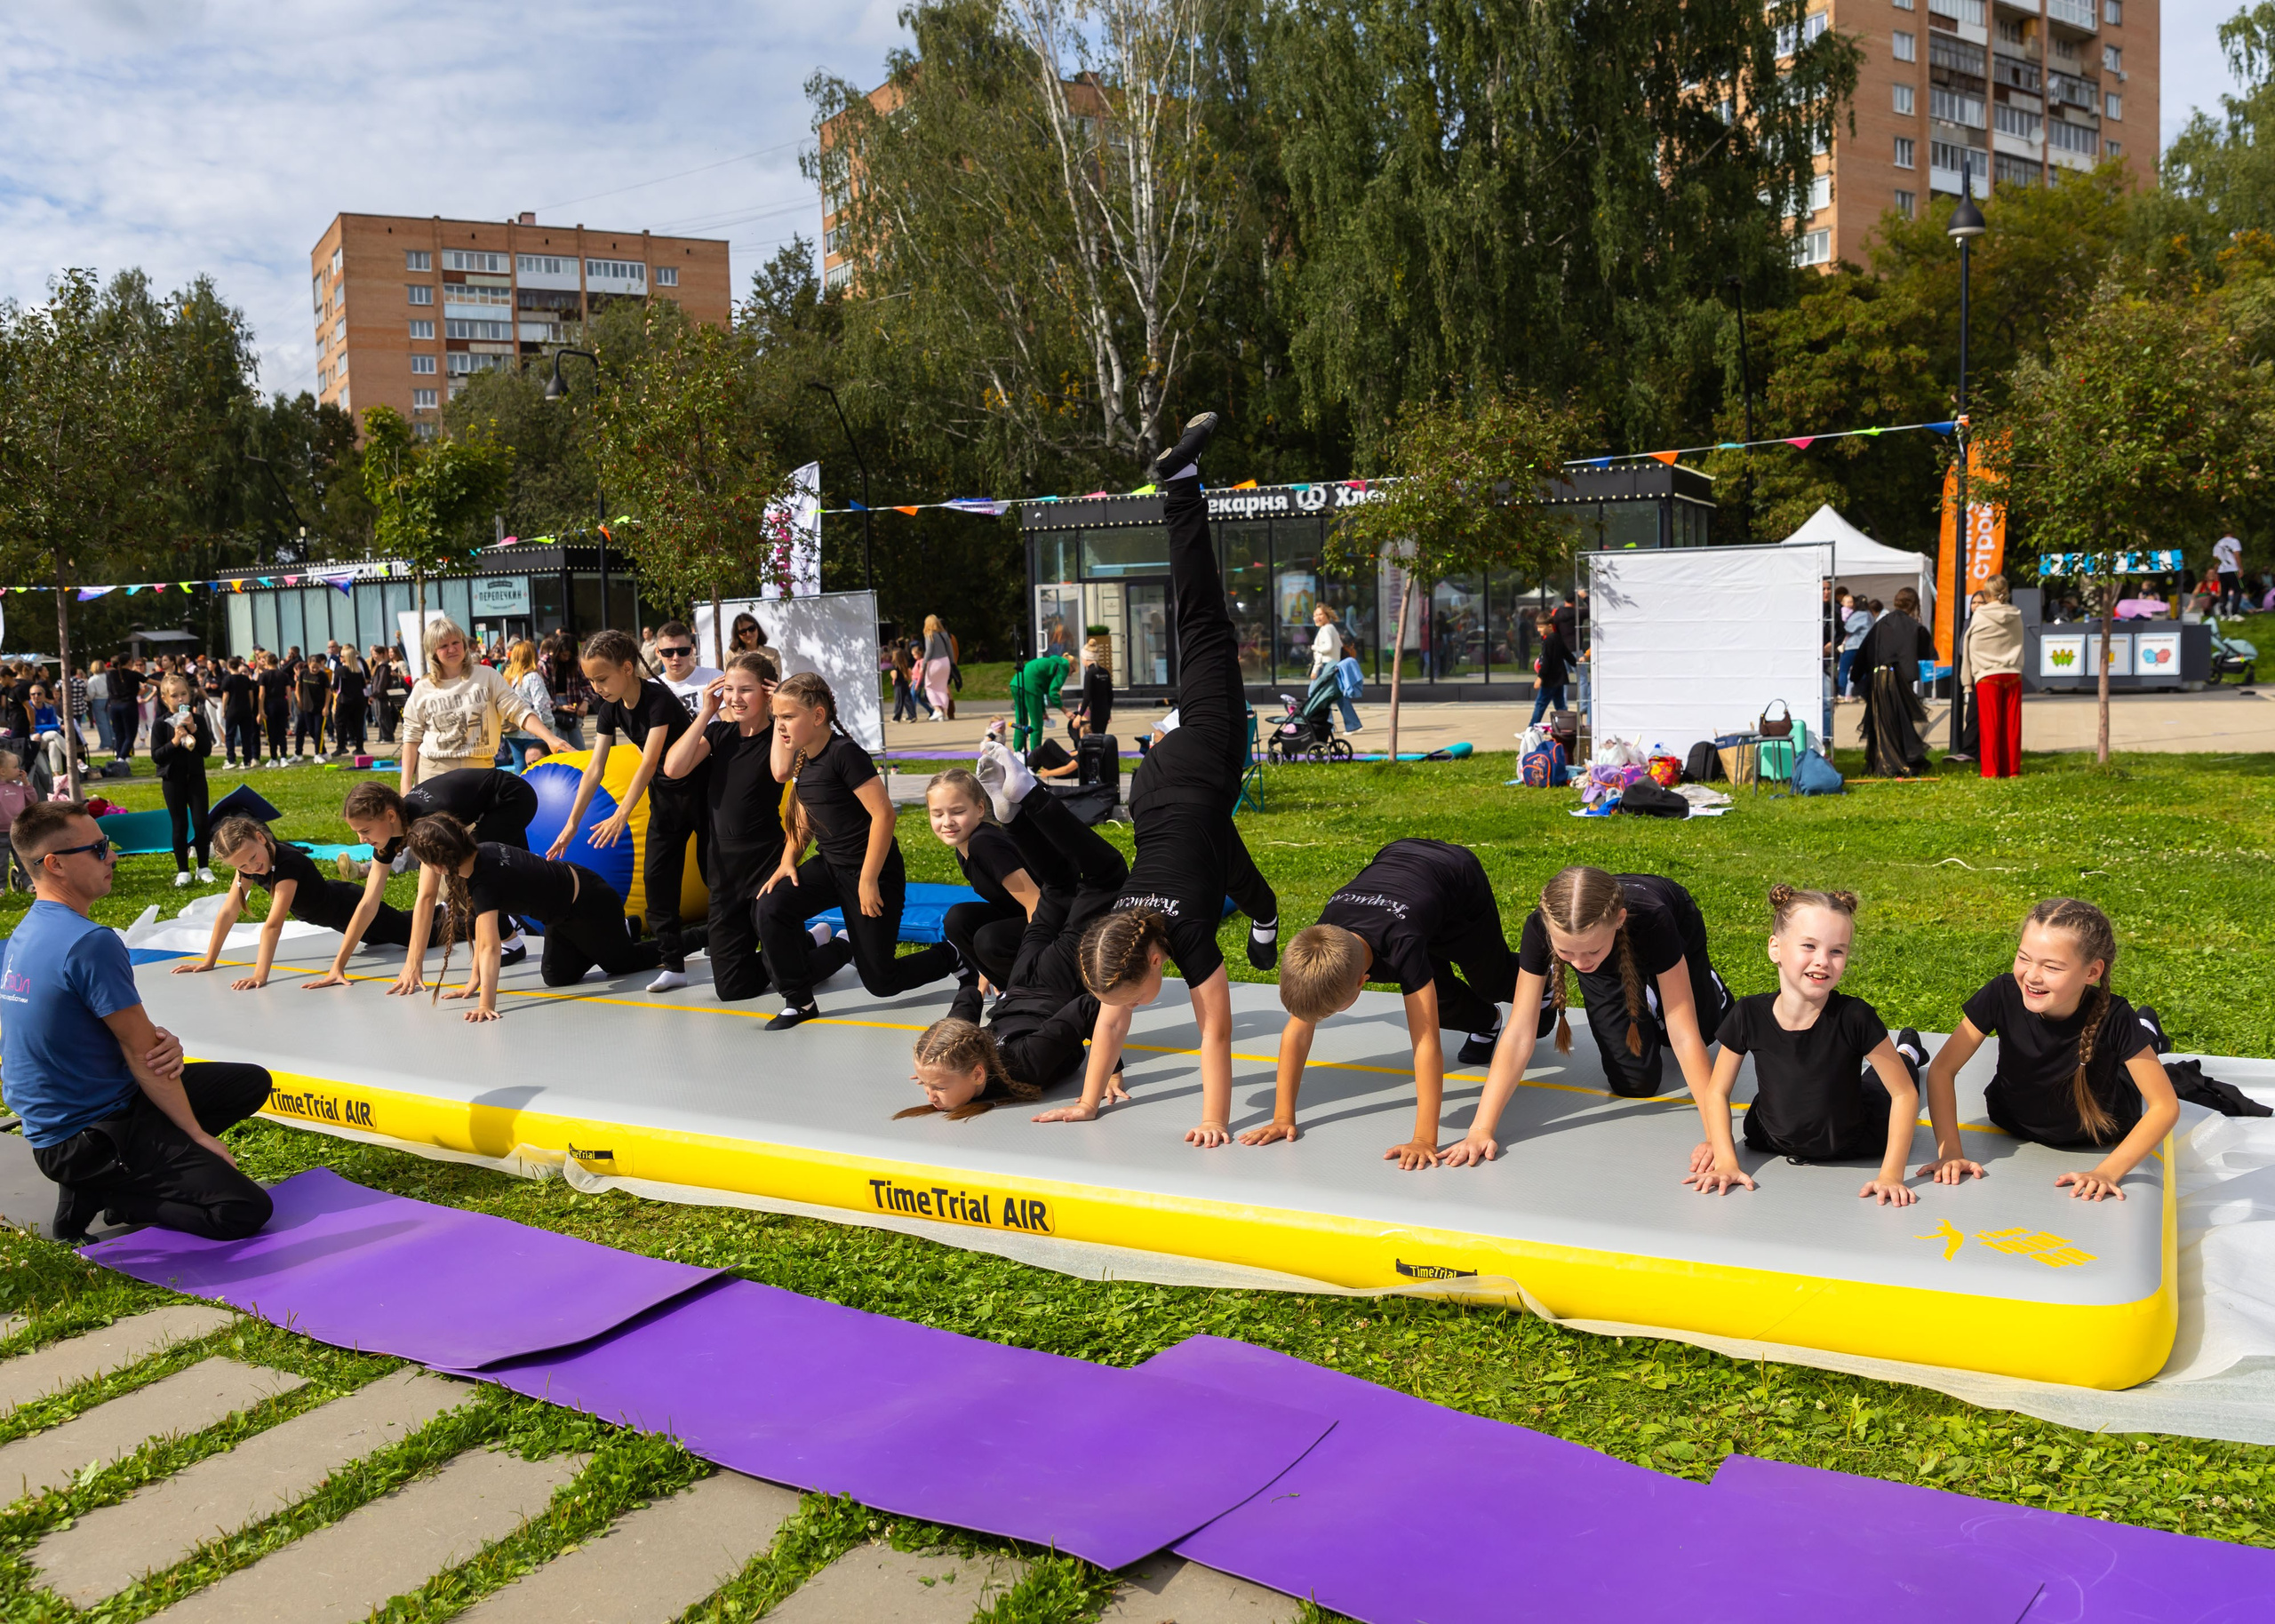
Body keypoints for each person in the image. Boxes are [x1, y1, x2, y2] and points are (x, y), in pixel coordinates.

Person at [1028, 413, 1282, 1148]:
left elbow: (1217, 1036)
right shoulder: (1126, 933)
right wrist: (1086, 1101)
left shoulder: (1187, 937)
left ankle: (1178, 488)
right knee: (1199, 637)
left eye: (1129, 996)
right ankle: (1265, 920)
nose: (1125, 1011)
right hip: (1159, 781)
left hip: (1200, 764)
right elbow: (1113, 1017)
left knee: (1203, 625)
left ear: (1147, 959)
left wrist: (1213, 1120)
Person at [4, 801, 272, 1242]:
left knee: (249, 1083)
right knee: (242, 1210)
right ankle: (115, 1195)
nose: (112, 856)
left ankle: (107, 1179)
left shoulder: (30, 928)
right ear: (54, 865)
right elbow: (143, 1055)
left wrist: (153, 1042)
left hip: (57, 1127)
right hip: (88, 1136)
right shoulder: (90, 943)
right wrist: (197, 1137)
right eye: (98, 848)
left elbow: (83, 1031)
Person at [1442, 866, 1733, 1166]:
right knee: (1635, 1083)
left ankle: (1695, 987)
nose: (1580, 963)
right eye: (1566, 953)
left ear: (1619, 920)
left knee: (1707, 1028)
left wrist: (1717, 1138)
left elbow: (1683, 1034)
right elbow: (1518, 1034)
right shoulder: (1546, 931)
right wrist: (1480, 1129)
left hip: (1669, 931)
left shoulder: (1654, 920)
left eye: (1590, 951)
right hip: (1609, 959)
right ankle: (1639, 989)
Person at [1256, 839, 1514, 1168]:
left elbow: (1425, 1043)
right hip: (1403, 870)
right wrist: (1282, 1116)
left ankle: (1542, 978)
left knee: (1491, 982)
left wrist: (1424, 1139)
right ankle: (1487, 1022)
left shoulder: (1401, 945)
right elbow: (1296, 1031)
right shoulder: (1325, 939)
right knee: (1444, 1005)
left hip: (1455, 877)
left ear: (1364, 982)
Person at [1919, 898, 2180, 1202]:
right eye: (2024, 958)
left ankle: (2146, 1029)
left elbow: (2165, 1107)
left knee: (2134, 1054)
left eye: (2052, 967)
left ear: (2092, 972)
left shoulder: (2115, 1016)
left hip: (2099, 1131)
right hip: (2010, 1119)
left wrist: (2107, 1172)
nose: (2032, 976)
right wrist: (1950, 1152)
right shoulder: (2002, 993)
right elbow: (1941, 1069)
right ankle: (2145, 1031)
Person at [1684, 887, 1928, 1204]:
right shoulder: (1749, 1014)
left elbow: (1903, 1093)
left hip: (1855, 1138)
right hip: (1772, 1137)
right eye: (1809, 946)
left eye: (1837, 951)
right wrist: (1727, 1161)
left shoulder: (1854, 1016)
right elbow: (1716, 1091)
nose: (1822, 961)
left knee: (1882, 1079)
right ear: (1776, 948)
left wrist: (1891, 1175)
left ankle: (1907, 1052)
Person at [754, 671, 960, 1028]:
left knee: (882, 981)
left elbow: (884, 815)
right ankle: (799, 1001)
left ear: (818, 716)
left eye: (788, 717)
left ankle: (953, 954)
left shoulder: (843, 754)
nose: (780, 727)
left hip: (872, 872)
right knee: (771, 905)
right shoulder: (804, 759)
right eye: (777, 719)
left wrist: (868, 880)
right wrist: (788, 861)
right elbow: (804, 820)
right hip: (831, 867)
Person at [547, 630, 707, 993]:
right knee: (657, 879)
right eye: (591, 680)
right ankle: (673, 964)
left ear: (628, 668)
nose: (596, 687)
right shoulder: (610, 708)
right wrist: (572, 824)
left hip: (703, 792)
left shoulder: (658, 700)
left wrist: (622, 813)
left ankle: (743, 938)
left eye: (602, 679)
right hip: (666, 798)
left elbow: (650, 761)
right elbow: (594, 768)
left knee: (717, 874)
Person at [662, 650, 820, 1004]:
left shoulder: (783, 737)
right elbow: (673, 768)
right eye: (729, 689)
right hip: (724, 873)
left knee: (786, 978)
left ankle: (833, 949)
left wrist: (781, 711)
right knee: (732, 989)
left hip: (765, 865)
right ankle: (806, 945)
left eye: (746, 689)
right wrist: (705, 712)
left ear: (767, 692)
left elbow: (781, 773)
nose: (734, 698)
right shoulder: (719, 735)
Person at [398, 814, 660, 1015]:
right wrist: (474, 980)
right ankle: (622, 931)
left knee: (621, 965)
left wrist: (486, 1004)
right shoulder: (483, 851)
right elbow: (483, 929)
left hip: (590, 905)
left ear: (438, 866)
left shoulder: (483, 882)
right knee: (557, 976)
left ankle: (695, 937)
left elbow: (490, 947)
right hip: (562, 915)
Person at [308, 772, 539, 985]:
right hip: (486, 803)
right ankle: (514, 939)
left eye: (365, 831)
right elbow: (369, 902)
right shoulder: (390, 832)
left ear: (390, 816)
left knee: (475, 873)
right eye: (357, 832)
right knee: (513, 876)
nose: (361, 839)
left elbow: (427, 896)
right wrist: (338, 966)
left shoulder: (425, 823)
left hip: (512, 797)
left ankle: (525, 926)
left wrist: (413, 965)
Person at [180, 816, 431, 990]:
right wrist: (209, 960)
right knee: (386, 936)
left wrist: (259, 975)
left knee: (425, 936)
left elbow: (273, 925)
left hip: (349, 907)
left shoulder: (288, 864)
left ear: (260, 837)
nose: (252, 868)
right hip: (339, 919)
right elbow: (229, 910)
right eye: (242, 866)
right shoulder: (250, 864)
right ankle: (440, 912)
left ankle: (459, 918)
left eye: (253, 858)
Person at [399, 617, 570, 788]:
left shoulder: (488, 676)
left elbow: (518, 711)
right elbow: (411, 739)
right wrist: (405, 786)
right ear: (433, 651)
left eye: (456, 642)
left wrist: (551, 739)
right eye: (443, 646)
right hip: (434, 775)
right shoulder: (423, 688)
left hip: (480, 773)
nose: (452, 649)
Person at [927, 768, 1046, 992]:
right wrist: (988, 971)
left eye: (957, 811)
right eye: (938, 814)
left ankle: (1035, 993)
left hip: (1060, 920)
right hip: (1028, 916)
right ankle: (1011, 989)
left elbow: (1037, 903)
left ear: (980, 808)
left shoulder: (984, 844)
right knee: (958, 919)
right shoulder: (963, 848)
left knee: (989, 939)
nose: (947, 822)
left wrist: (1038, 958)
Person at [1852, 586, 1936, 777]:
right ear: (1914, 605)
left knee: (1883, 721)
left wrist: (1856, 676)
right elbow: (1911, 653)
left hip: (1878, 678)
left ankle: (1883, 762)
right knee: (1899, 720)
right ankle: (1897, 762)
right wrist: (1908, 678)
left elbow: (1865, 649)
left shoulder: (1882, 624)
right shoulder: (1911, 626)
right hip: (1895, 678)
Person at [149, 674, 215, 888]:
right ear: (165, 698)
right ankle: (183, 870)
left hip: (196, 778)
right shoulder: (161, 724)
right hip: (172, 780)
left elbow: (206, 751)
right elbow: (157, 756)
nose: (180, 700)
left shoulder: (199, 720)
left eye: (184, 694)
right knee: (179, 825)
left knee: (200, 823)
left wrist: (194, 730)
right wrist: (175, 741)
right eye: (175, 696)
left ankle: (203, 867)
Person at [1961, 574, 2024, 779]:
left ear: (1987, 593)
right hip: (2013, 672)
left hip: (1987, 674)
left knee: (1990, 725)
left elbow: (1970, 646)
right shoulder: (2015, 614)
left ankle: (1990, 771)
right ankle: (2012, 770)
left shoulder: (1981, 615)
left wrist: (1968, 680)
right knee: (2012, 725)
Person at [651, 621, 722, 721]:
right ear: (658, 652)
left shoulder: (714, 679)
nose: (676, 658)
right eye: (668, 652)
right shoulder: (651, 688)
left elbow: (729, 723)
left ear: (691, 650)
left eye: (682, 651)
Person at [499, 640, 553, 766]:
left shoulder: (507, 677)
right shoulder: (533, 677)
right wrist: (548, 728)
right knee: (538, 767)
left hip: (511, 730)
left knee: (520, 766)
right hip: (532, 732)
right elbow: (542, 705)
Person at [1010, 649, 1074, 752]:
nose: (1070, 674)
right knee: (1037, 725)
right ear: (1070, 666)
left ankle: (1017, 751)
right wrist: (1066, 711)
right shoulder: (1063, 667)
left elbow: (1042, 686)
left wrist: (1043, 711)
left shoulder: (1051, 662)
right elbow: (1053, 693)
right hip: (1030, 687)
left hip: (1016, 683)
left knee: (1021, 721)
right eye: (1073, 671)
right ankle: (1036, 754)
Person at [1529, 614, 1574, 727]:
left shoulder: (1549, 641)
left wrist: (1540, 677)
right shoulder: (1557, 638)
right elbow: (1567, 654)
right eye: (1538, 627)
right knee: (1560, 706)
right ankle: (1566, 726)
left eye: (1541, 627)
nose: (1539, 630)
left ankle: (1531, 729)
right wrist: (1576, 662)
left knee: (1540, 704)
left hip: (1550, 680)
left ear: (1550, 626)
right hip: (1559, 679)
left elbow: (1546, 661)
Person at [1068, 633, 1114, 744]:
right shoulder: (1105, 672)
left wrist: (1080, 715)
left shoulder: (1090, 674)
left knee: (1093, 740)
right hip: (1104, 711)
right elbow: (1110, 695)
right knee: (1101, 737)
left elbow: (1087, 697)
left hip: (1094, 712)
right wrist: (1108, 712)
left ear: (1086, 658)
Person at [220, 657, 259, 768]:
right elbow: (251, 695)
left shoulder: (228, 679)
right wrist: (250, 708)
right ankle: (247, 760)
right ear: (239, 665)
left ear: (228, 666)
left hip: (232, 709)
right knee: (246, 735)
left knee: (230, 735)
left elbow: (226, 695)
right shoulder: (245, 679)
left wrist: (224, 710)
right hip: (245, 709)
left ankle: (231, 759)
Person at [330, 648, 369, 759]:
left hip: (344, 700)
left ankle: (341, 746)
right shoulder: (358, 671)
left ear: (345, 658)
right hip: (359, 700)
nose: (339, 658)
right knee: (358, 724)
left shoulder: (340, 670)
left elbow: (336, 686)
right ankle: (359, 747)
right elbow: (363, 685)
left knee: (340, 723)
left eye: (341, 656)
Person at [293, 651, 331, 761]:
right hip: (306, 707)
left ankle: (318, 754)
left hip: (319, 708)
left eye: (317, 667)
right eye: (312, 667)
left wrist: (326, 707)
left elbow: (328, 692)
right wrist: (299, 700)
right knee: (309, 730)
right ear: (308, 665)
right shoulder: (303, 673)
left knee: (318, 731)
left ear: (320, 665)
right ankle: (321, 751)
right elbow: (298, 688)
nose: (314, 669)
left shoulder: (323, 676)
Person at [106, 658, 146, 763]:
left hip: (114, 705)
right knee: (130, 734)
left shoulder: (110, 675)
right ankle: (122, 758)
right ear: (129, 662)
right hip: (128, 705)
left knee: (119, 734)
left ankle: (120, 756)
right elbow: (148, 682)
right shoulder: (132, 674)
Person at [257, 650, 291, 766]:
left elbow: (261, 694)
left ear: (266, 662)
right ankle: (283, 757)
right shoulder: (283, 675)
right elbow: (289, 693)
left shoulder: (263, 676)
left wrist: (260, 710)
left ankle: (273, 757)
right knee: (282, 732)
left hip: (269, 705)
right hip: (282, 703)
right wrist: (289, 709)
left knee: (271, 733)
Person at [1836, 591, 1872, 697]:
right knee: (1863, 671)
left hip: (1852, 646)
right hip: (1864, 647)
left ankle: (1842, 693)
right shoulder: (1870, 615)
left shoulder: (1858, 615)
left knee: (1843, 670)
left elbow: (1848, 628)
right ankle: (1861, 692)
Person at [921, 614, 954, 720]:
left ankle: (937, 709)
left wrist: (924, 664)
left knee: (929, 686)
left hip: (934, 663)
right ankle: (943, 713)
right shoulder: (944, 634)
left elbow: (929, 651)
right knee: (942, 688)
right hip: (945, 662)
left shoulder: (929, 634)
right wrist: (952, 663)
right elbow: (950, 650)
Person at [890, 638, 927, 724]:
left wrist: (891, 674)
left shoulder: (895, 666)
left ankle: (896, 718)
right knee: (908, 700)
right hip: (905, 683)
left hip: (898, 685)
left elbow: (894, 676)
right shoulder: (905, 665)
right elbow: (910, 674)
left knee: (899, 701)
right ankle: (912, 716)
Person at [1332, 640, 1365, 734]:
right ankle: (1352, 724)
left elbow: (1328, 648)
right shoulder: (1330, 630)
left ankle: (1352, 724)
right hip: (1331, 666)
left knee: (1335, 696)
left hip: (1328, 666)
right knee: (1337, 696)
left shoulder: (1328, 630)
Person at [85, 660, 113, 757]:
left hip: (98, 700)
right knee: (111, 722)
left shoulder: (93, 679)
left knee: (102, 723)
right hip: (109, 700)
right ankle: (113, 741)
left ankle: (106, 743)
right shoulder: (109, 677)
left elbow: (91, 693)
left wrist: (87, 698)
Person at [1308, 604, 1342, 680]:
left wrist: (1315, 647)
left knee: (1314, 691)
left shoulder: (1325, 629)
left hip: (1324, 667)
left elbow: (1327, 648)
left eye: (1320, 614)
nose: (1317, 618)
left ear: (1327, 615)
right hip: (1334, 666)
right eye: (1315, 615)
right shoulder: (1332, 628)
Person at [2215, 531, 2244, 616]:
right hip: (2233, 569)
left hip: (2222, 570)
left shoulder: (2218, 543)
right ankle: (2234, 612)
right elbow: (2237, 555)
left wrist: (2216, 571)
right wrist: (2240, 568)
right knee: (2238, 590)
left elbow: (2216, 559)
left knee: (2224, 592)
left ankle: (2223, 612)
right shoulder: (2234, 541)